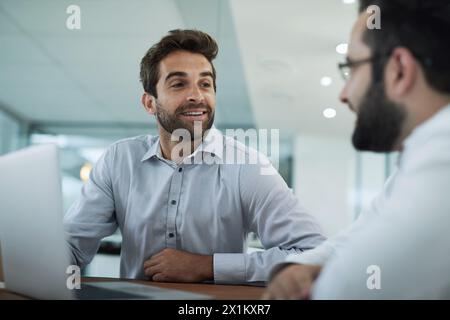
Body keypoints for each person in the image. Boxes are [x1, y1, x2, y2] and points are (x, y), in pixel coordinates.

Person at [64, 29, 326, 284]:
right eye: (179, 84)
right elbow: (72, 246)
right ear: (149, 103)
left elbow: (314, 254)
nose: (197, 96)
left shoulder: (247, 166)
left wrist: (207, 266)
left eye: (205, 83)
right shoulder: (119, 160)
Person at [264, 0, 450, 299]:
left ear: (399, 70)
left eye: (351, 69)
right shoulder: (416, 159)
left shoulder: (444, 159)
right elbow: (357, 237)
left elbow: (345, 291)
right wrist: (297, 268)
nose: (344, 94)